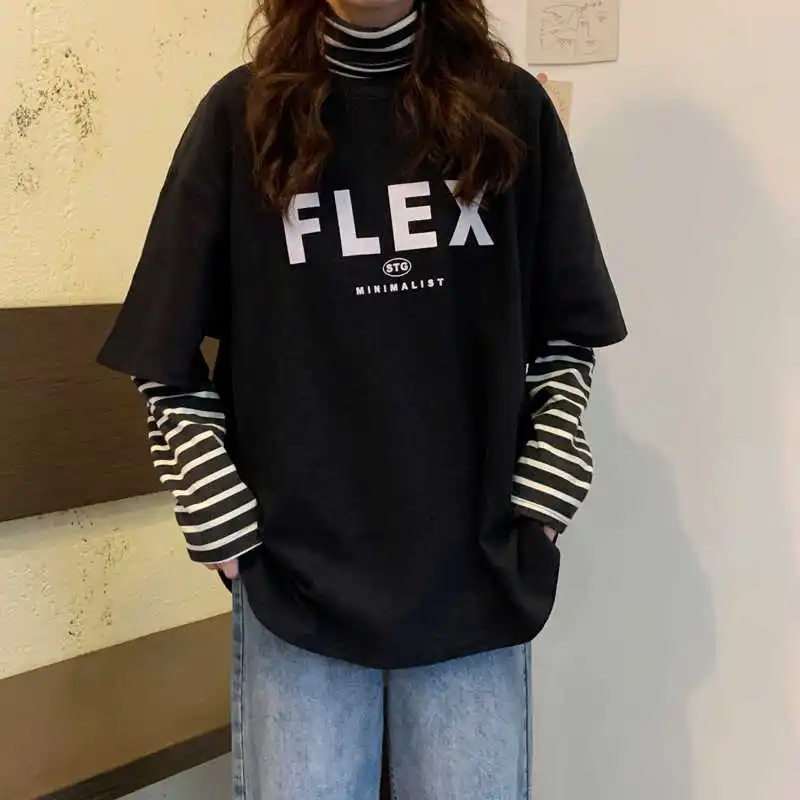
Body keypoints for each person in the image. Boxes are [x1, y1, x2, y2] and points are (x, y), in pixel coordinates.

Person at [99, 0, 626, 797]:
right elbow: (163, 353)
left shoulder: (510, 111)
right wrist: (221, 519)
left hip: (476, 579)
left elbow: (564, 336)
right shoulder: (241, 116)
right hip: (295, 584)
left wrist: (542, 503)